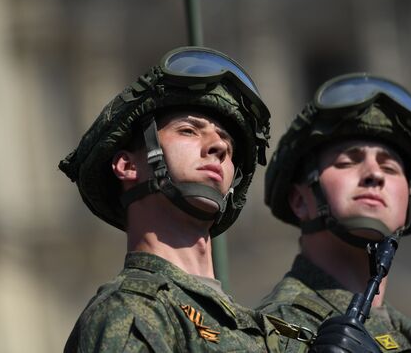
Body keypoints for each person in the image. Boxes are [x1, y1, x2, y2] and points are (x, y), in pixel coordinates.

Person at [59, 46, 282, 352]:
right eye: (189, 130)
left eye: (227, 142)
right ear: (127, 165)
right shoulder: (130, 312)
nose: (218, 146)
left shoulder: (265, 332)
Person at [258, 73, 411, 352]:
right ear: (300, 200)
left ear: (408, 203)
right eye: (348, 162)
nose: (374, 174)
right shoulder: (273, 331)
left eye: (390, 168)